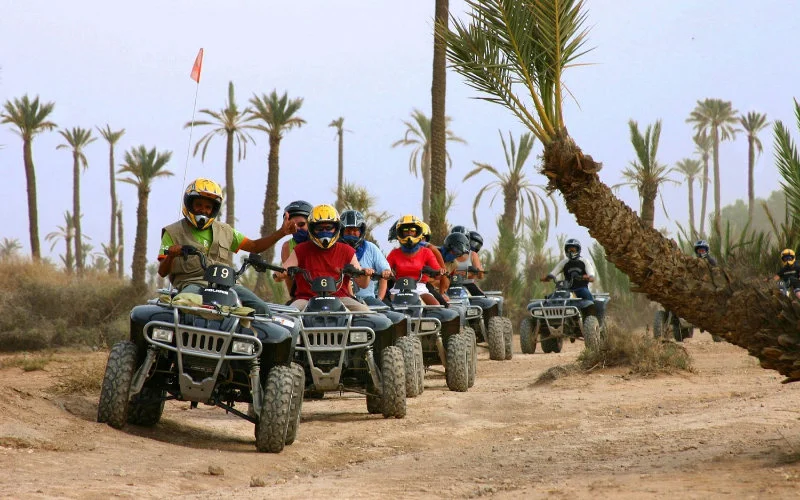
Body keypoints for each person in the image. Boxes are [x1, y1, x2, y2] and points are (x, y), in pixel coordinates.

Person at [157, 178, 295, 315]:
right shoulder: (172, 232)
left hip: (227, 284)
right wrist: (171, 256)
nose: (203, 210)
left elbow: (254, 246)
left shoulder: (225, 231)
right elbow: (162, 272)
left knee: (261, 308)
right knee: (184, 305)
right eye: (198, 205)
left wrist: (282, 232)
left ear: (214, 209)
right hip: (193, 283)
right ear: (189, 204)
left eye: (208, 207)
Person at [275, 204, 372, 312]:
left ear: (336, 228)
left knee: (367, 314)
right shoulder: (300, 249)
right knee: (288, 316)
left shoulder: (347, 250)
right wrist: (280, 273)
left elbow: (363, 284)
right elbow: (280, 273)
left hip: (341, 298)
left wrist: (365, 274)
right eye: (319, 228)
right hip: (305, 299)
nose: (324, 232)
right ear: (312, 228)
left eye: (329, 228)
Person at [386, 215, 445, 305]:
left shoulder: (427, 252)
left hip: (420, 288)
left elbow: (438, 274)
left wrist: (437, 272)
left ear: (418, 232)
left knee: (436, 305)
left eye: (412, 231)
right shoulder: (394, 253)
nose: (409, 234)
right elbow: (384, 269)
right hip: (398, 288)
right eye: (406, 231)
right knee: (389, 306)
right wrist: (385, 272)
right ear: (400, 233)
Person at [340, 209, 392, 306]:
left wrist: (379, 299)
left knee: (388, 313)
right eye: (348, 230)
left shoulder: (371, 248)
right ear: (341, 231)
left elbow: (385, 273)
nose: (351, 233)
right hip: (341, 298)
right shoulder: (336, 249)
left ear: (361, 231)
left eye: (355, 230)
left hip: (367, 298)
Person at [279, 200, 313, 301]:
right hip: (303, 297)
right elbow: (288, 278)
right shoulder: (287, 247)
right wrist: (293, 298)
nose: (297, 228)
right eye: (292, 225)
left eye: (301, 224)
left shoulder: (321, 243)